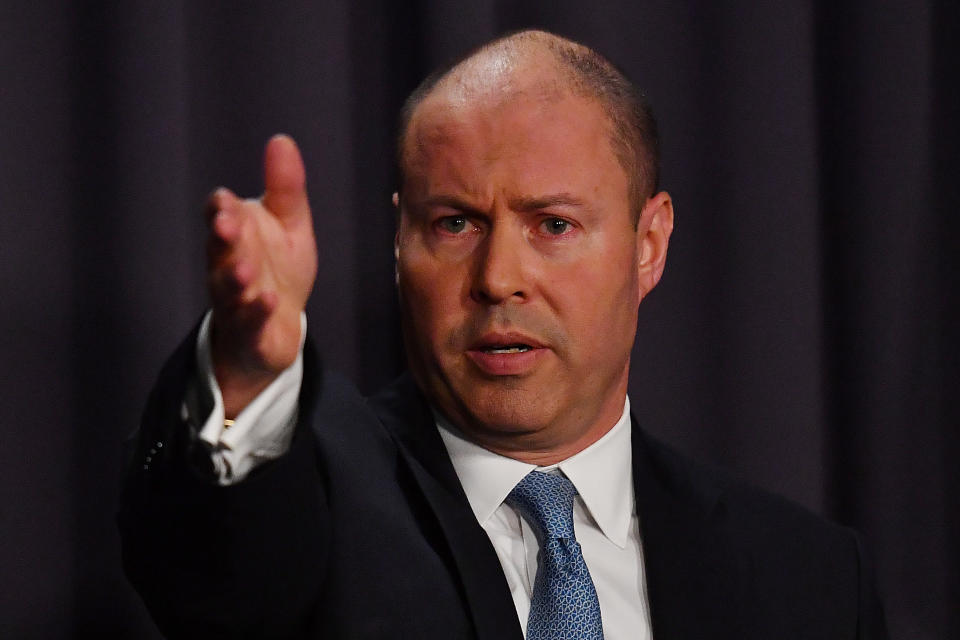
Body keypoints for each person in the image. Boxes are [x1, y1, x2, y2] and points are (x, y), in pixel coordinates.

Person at [120, 30, 888, 639]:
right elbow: (218, 582)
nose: (497, 277)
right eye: (455, 224)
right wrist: (247, 376)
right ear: (399, 242)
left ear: (648, 243)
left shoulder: (808, 579)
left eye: (553, 225)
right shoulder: (317, 489)